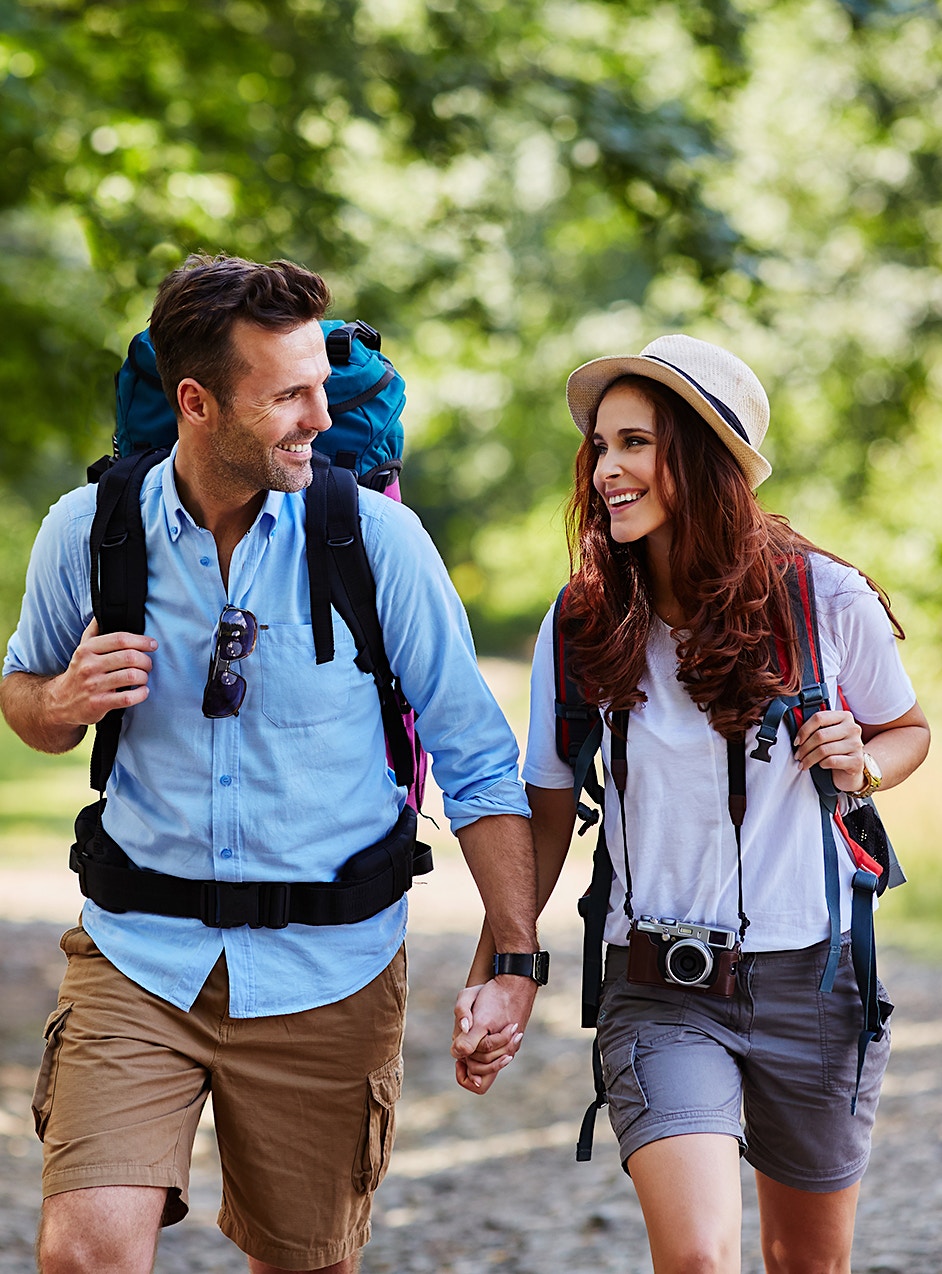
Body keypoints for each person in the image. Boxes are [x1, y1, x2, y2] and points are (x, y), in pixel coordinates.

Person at [0, 253, 544, 1274]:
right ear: (195, 402)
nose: (318, 418)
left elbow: (478, 760)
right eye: (288, 395)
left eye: (322, 389)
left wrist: (514, 959)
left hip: (329, 971)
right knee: (82, 1251)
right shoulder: (89, 531)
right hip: (138, 958)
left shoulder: (375, 540)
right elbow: (23, 693)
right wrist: (60, 701)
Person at [455, 334, 930, 1272]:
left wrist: (864, 763)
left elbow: (908, 730)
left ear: (706, 459)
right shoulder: (583, 620)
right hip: (660, 984)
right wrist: (503, 967)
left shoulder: (823, 599)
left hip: (817, 980)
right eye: (601, 445)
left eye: (636, 443)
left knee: (806, 1263)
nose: (607, 469)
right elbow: (545, 807)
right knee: (700, 1258)